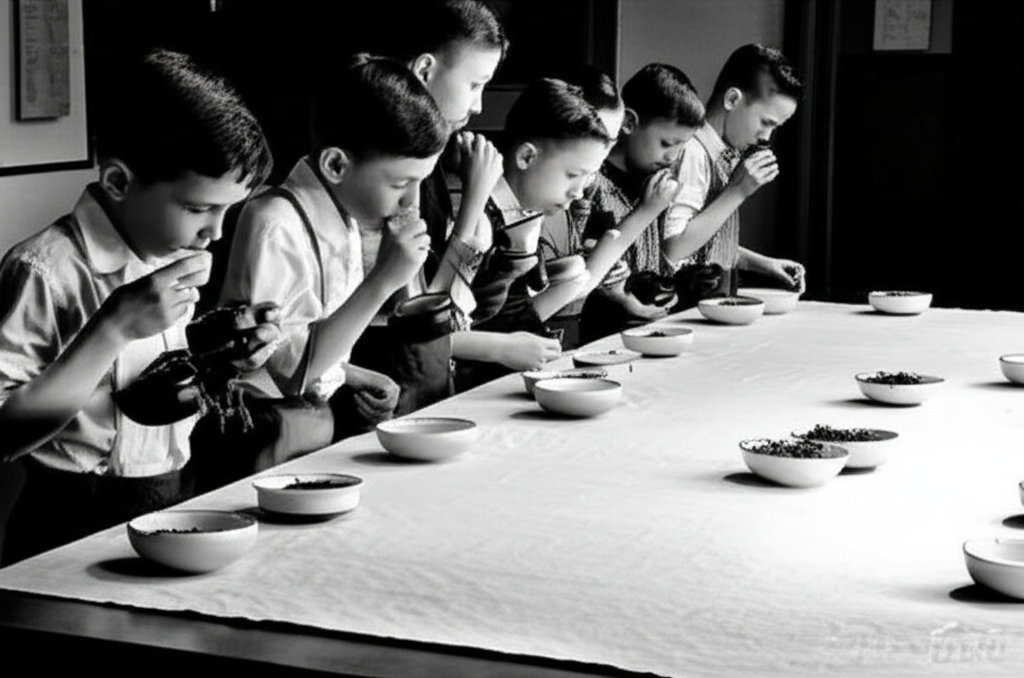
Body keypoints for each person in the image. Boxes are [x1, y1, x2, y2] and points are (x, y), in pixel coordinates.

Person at [0, 49, 276, 565]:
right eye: (199, 209)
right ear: (119, 183)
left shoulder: (166, 250)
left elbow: (149, 388)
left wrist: (228, 353)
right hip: (69, 521)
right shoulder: (44, 270)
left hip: (172, 498)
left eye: (227, 211)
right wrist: (115, 326)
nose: (216, 233)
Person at [219, 54, 447, 434]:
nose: (410, 202)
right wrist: (382, 282)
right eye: (400, 183)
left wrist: (356, 376)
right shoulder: (275, 224)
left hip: (306, 420)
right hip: (259, 435)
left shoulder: (346, 216)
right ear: (336, 166)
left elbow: (304, 341)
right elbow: (290, 375)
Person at [441, 77, 614, 388]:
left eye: (586, 179)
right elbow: (438, 332)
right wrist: (503, 347)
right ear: (526, 157)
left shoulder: (531, 210)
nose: (578, 192)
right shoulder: (478, 217)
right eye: (572, 175)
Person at [574, 63, 707, 342]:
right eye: (667, 143)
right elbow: (580, 260)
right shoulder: (590, 183)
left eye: (683, 146)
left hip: (650, 330)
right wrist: (622, 299)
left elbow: (661, 252)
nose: (674, 156)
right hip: (598, 333)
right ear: (629, 122)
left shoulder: (657, 180)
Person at [662, 43, 806, 296]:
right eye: (766, 122)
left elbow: (705, 241)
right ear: (732, 99)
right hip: (685, 308)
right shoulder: (693, 151)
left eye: (775, 127)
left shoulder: (724, 155)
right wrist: (737, 191)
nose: (766, 137)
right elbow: (674, 248)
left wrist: (764, 264)